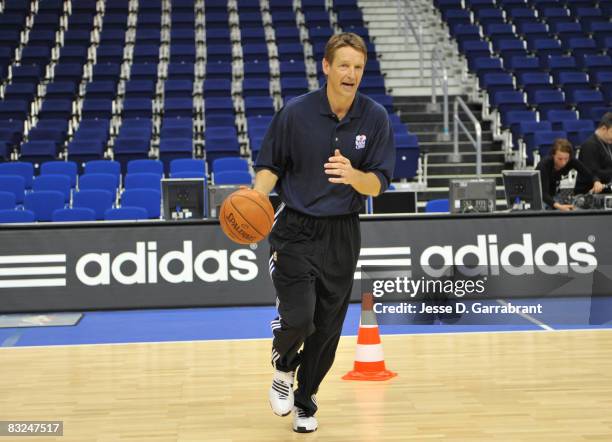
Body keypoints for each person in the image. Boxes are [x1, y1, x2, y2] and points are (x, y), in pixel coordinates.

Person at [253, 32, 395, 433]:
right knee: (299, 317)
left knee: (328, 327)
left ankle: (306, 398)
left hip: (342, 233)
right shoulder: (295, 113)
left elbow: (379, 183)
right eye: (344, 65)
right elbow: (269, 166)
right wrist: (257, 198)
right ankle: (283, 366)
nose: (351, 74)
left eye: (358, 67)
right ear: (327, 66)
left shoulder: (375, 118)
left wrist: (354, 176)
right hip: (295, 227)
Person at [535, 138, 603, 211]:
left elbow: (588, 173)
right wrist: (559, 206)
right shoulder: (544, 165)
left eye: (566, 159)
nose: (563, 163)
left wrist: (596, 181)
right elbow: (543, 193)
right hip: (540, 197)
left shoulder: (571, 161)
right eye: (559, 159)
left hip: (554, 194)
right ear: (553, 155)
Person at [575, 112, 612, 194]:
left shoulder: (608, 143)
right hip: (587, 195)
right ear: (604, 129)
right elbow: (591, 172)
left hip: (605, 191)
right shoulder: (589, 146)